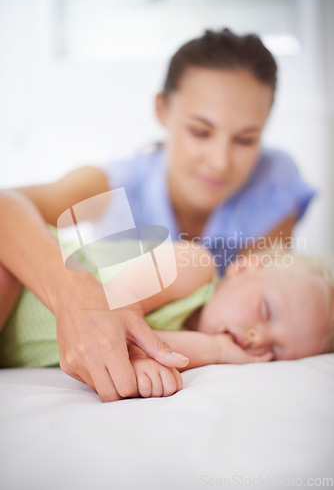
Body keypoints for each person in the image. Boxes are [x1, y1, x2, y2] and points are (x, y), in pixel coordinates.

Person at [0, 28, 316, 402]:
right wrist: (74, 293)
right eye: (200, 131)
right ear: (162, 110)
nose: (219, 161)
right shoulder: (114, 183)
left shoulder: (273, 183)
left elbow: (277, 289)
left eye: (246, 139)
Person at [0, 240, 333, 401]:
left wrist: (142, 364)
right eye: (266, 312)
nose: (257, 337)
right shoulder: (192, 266)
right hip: (22, 269)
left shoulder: (196, 361)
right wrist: (214, 348)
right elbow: (111, 312)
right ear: (243, 268)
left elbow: (118, 353)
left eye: (275, 349)